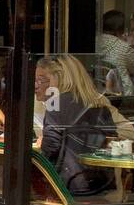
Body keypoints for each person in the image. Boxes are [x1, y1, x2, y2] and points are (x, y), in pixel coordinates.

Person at [36, 54, 116, 197]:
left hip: (69, 185)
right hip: (102, 183)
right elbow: (111, 142)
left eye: (42, 79)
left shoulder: (57, 103)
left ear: (58, 77)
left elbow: (50, 148)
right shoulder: (98, 104)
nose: (37, 85)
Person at [96, 10, 134, 96]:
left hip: (97, 91)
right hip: (120, 94)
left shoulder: (93, 42)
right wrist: (133, 44)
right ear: (122, 29)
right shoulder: (123, 47)